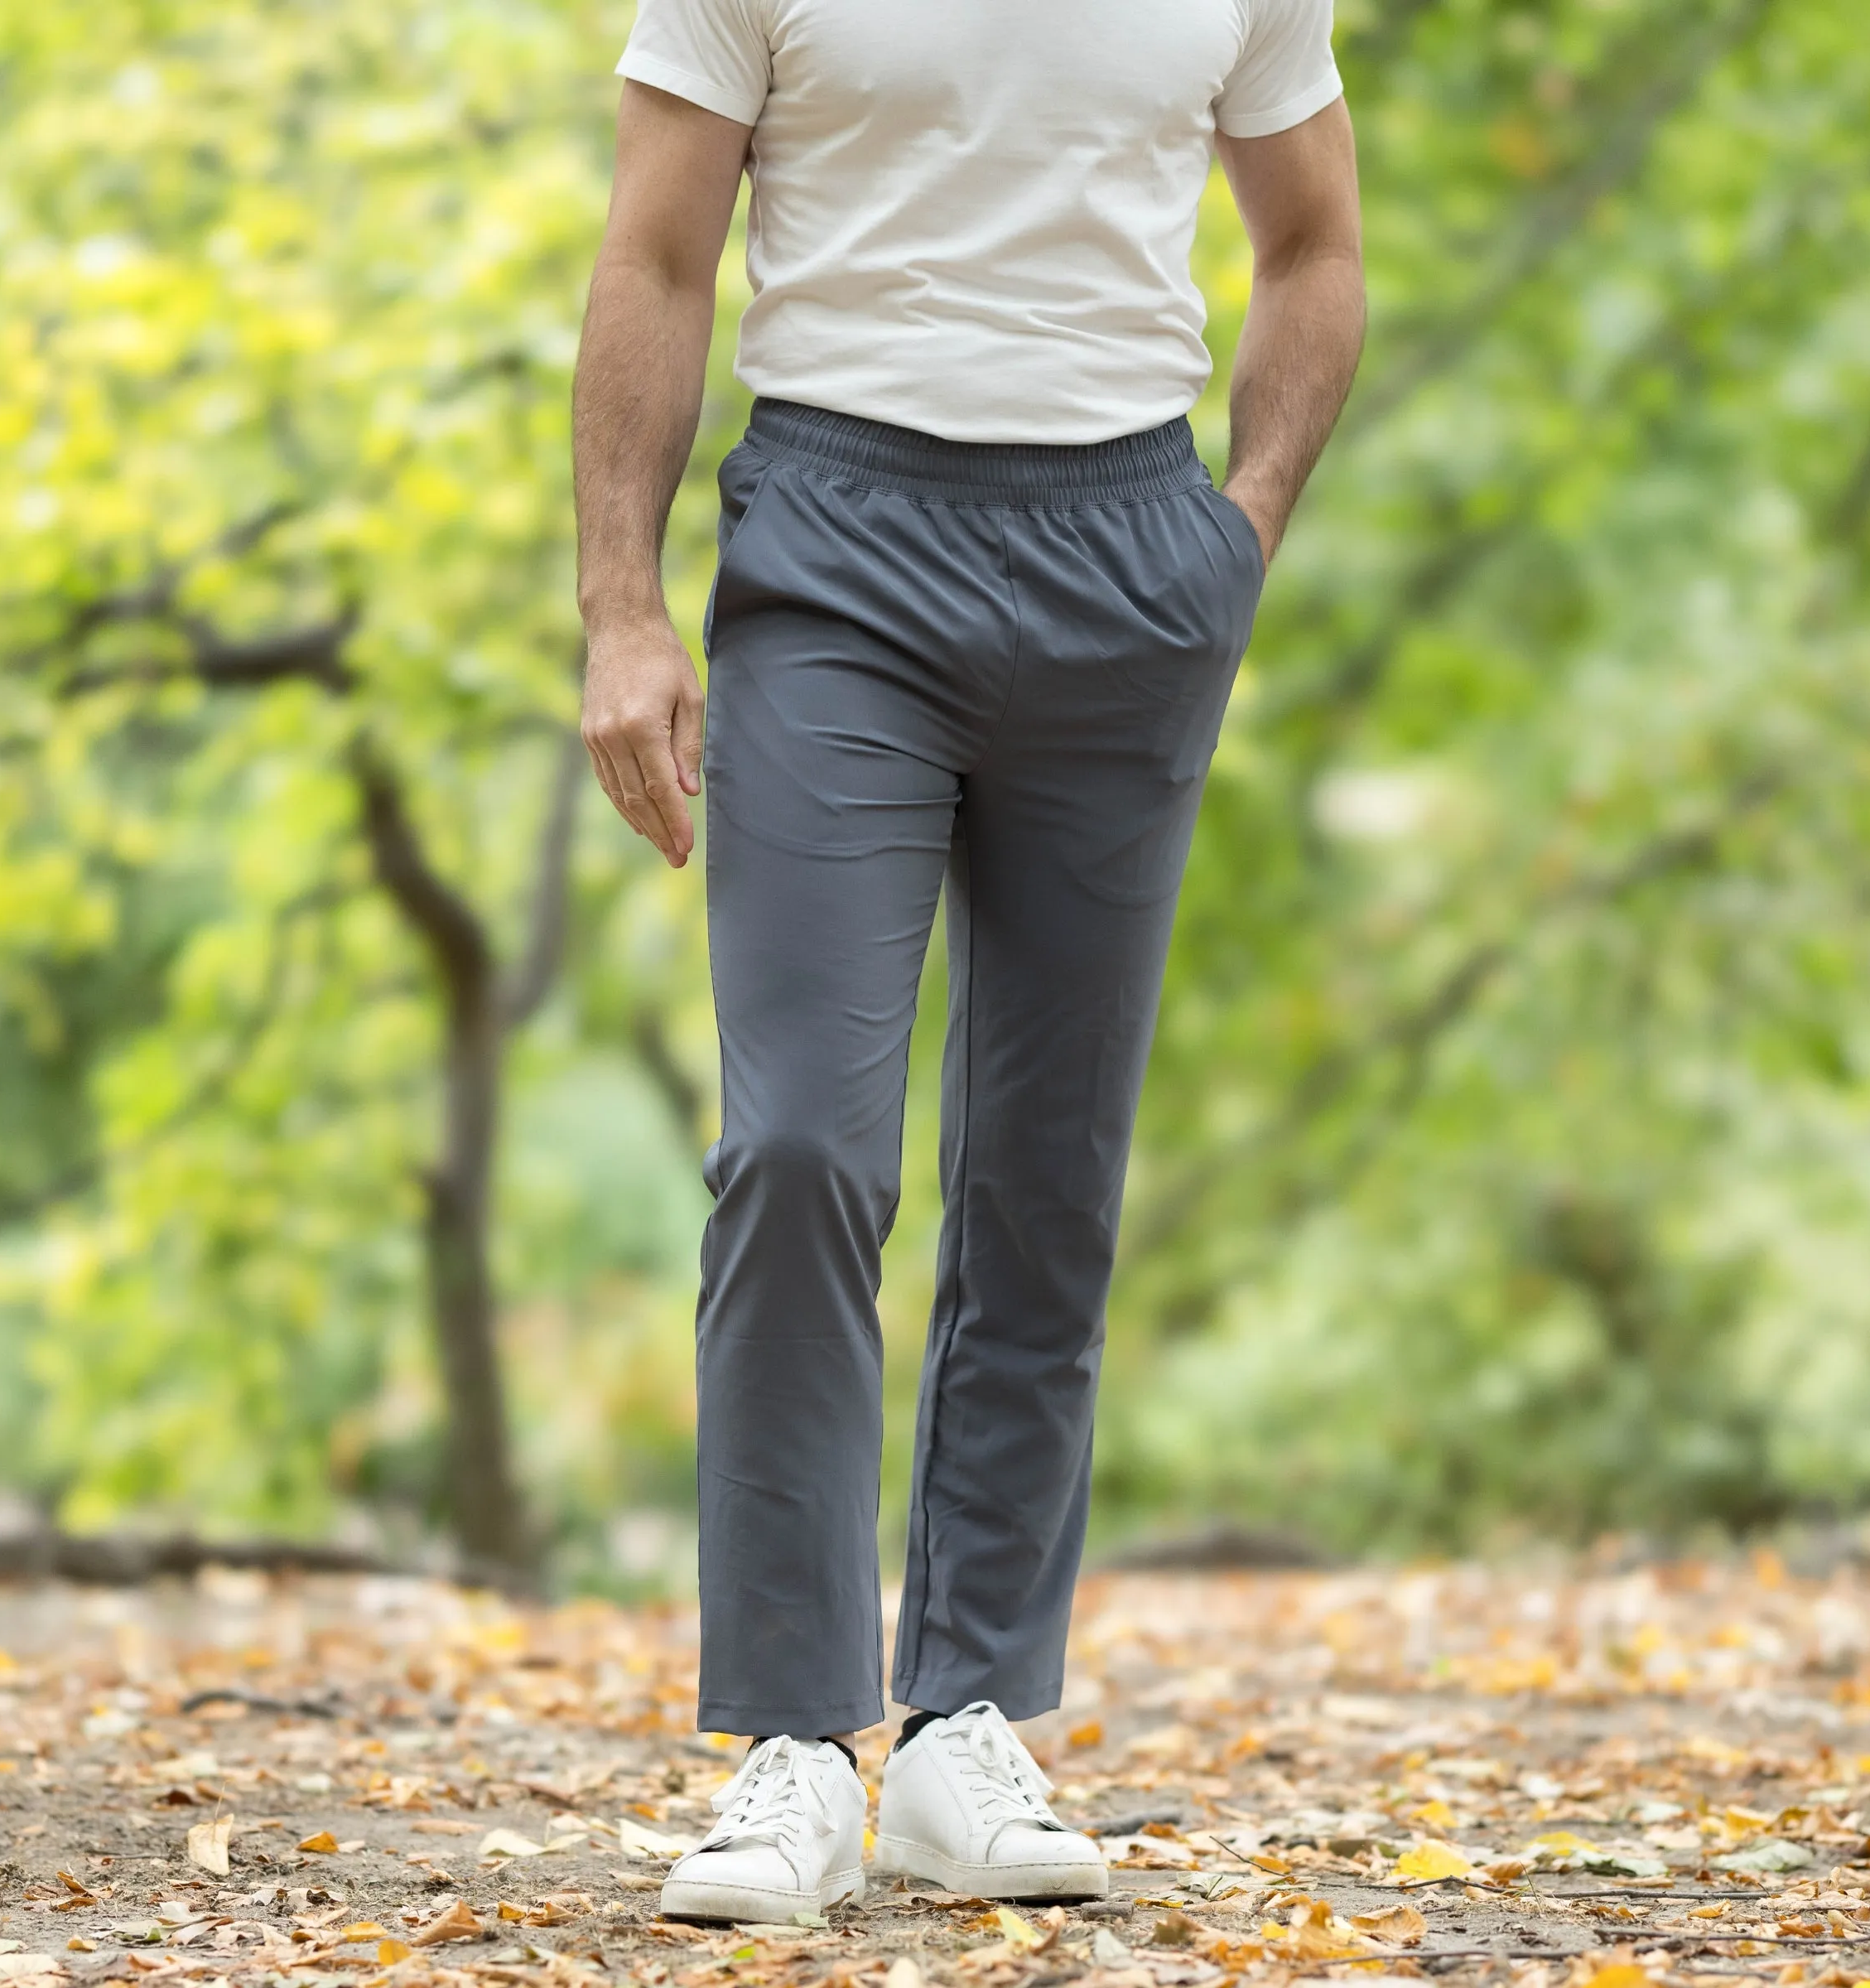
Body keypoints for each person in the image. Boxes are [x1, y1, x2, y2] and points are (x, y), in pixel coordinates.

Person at [571, 0, 1365, 1927]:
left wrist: (1234, 538)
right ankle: (788, 1743)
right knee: (801, 1152)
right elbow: (659, 251)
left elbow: (1318, 245)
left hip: (1125, 553)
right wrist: (620, 607)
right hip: (840, 548)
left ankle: (965, 1724)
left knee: (1045, 1176)